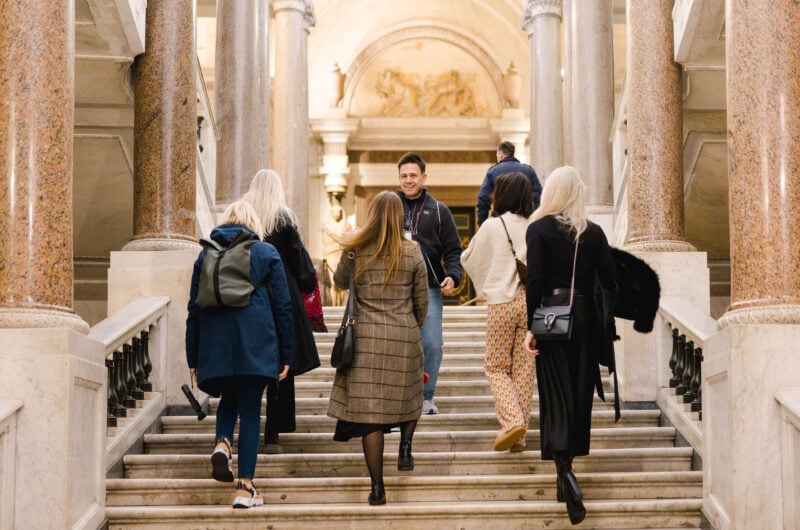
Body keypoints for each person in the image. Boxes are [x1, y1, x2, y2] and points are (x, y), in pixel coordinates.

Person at [522, 166, 618, 525]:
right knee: (579, 395)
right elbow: (610, 280)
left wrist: (533, 326)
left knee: (555, 393)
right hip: (585, 321)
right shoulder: (593, 233)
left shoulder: (538, 229)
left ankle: (564, 472)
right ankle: (568, 469)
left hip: (550, 316)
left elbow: (534, 281)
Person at [185, 199, 293, 508]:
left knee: (228, 398)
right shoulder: (265, 252)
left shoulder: (205, 255)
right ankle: (245, 488)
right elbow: (282, 307)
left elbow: (193, 309)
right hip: (256, 339)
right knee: (249, 411)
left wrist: (193, 356)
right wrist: (285, 353)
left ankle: (222, 442)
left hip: (215, 342)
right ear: (252, 223)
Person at [327, 191, 429, 506]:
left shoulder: (356, 250)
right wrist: (411, 324)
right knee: (412, 395)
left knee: (371, 417)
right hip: (403, 335)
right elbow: (422, 302)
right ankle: (406, 447)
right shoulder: (412, 251)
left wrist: (350, 248)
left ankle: (377, 487)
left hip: (366, 341)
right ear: (400, 217)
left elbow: (341, 282)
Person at [243, 169, 321, 454]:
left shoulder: (242, 217)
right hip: (281, 294)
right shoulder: (284, 219)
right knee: (282, 362)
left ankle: (243, 422)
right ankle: (273, 432)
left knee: (249, 361)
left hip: (245, 293)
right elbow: (304, 271)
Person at [461, 172, 535, 453]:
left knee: (496, 368)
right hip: (530, 304)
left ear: (501, 195)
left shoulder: (493, 226)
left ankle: (513, 421)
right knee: (524, 371)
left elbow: (468, 258)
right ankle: (519, 436)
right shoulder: (535, 225)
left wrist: (491, 279)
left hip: (503, 304)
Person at [396, 152, 463, 415]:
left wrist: (453, 275)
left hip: (430, 288)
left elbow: (453, 251)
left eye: (413, 175)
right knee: (398, 345)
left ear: (424, 177)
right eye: (404, 176)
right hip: (395, 290)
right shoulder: (388, 206)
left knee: (432, 343)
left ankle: (426, 397)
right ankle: (399, 397)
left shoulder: (438, 210)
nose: (408, 180)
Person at [476, 141, 542, 226]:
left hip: (500, 222)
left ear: (500, 154)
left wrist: (482, 224)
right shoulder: (528, 170)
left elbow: (483, 199)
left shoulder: (492, 172)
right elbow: (539, 197)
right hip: (524, 221)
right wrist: (532, 219)